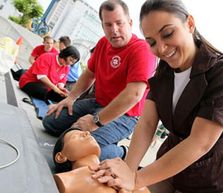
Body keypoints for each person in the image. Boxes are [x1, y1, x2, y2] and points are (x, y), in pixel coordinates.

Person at [91, 0, 223, 193]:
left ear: (189, 23)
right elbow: (146, 123)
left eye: (168, 34)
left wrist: (135, 179)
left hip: (208, 181)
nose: (161, 49)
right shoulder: (163, 71)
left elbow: (200, 142)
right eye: (152, 42)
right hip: (166, 170)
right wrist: (127, 170)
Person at [42, 0, 156, 161]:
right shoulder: (103, 43)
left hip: (125, 115)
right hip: (97, 103)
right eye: (108, 25)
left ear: (130, 23)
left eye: (119, 23)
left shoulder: (142, 50)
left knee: (77, 154)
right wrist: (70, 98)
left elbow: (134, 95)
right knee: (50, 122)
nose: (114, 30)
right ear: (102, 26)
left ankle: (123, 152)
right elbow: (89, 74)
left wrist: (96, 121)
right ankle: (84, 132)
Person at [53, 127, 150, 193]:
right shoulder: (68, 180)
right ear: (61, 157)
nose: (87, 133)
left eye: (84, 132)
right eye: (75, 136)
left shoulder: (123, 175)